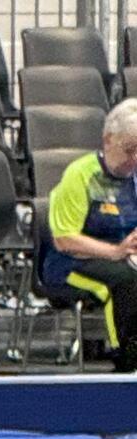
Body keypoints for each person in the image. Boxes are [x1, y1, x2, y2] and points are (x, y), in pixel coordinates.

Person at [47, 97, 137, 374]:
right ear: (108, 140)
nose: (134, 159)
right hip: (71, 263)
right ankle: (126, 356)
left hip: (124, 254)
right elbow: (64, 239)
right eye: (129, 149)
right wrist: (114, 252)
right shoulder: (80, 175)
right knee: (125, 281)